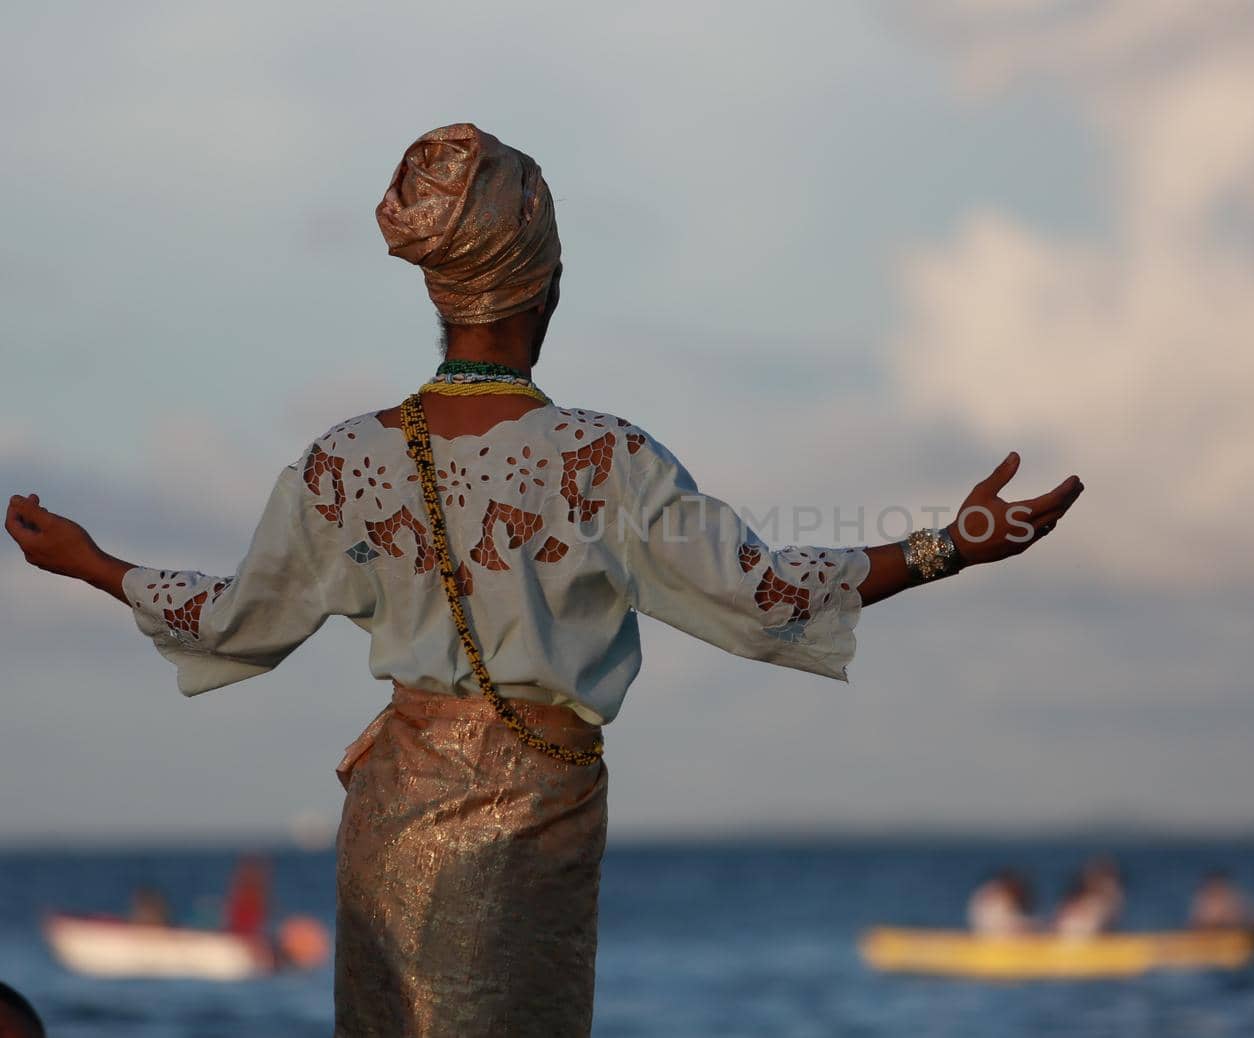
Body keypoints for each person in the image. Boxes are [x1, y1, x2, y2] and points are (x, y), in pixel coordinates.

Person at [4, 123, 1085, 1036]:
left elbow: (239, 621)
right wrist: (951, 543)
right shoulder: (601, 459)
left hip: (390, 826)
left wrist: (92, 562)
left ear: (438, 289)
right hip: (535, 827)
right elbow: (769, 600)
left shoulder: (345, 460)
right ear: (548, 282)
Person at [968, 872, 1034, 935]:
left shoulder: (990, 891)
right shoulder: (999, 895)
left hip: (985, 933)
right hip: (992, 937)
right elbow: (1003, 925)